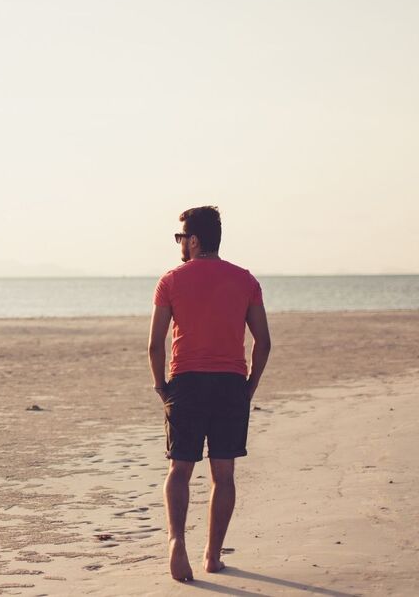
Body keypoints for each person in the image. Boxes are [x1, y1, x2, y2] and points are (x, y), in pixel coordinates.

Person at [147, 206, 271, 582]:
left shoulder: (170, 280)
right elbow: (263, 343)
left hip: (186, 382)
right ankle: (213, 556)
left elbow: (155, 345)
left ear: (195, 240)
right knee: (224, 474)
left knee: (180, 468)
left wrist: (160, 387)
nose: (179, 244)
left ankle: (176, 543)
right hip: (230, 384)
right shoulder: (246, 280)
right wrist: (248, 387)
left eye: (180, 237)